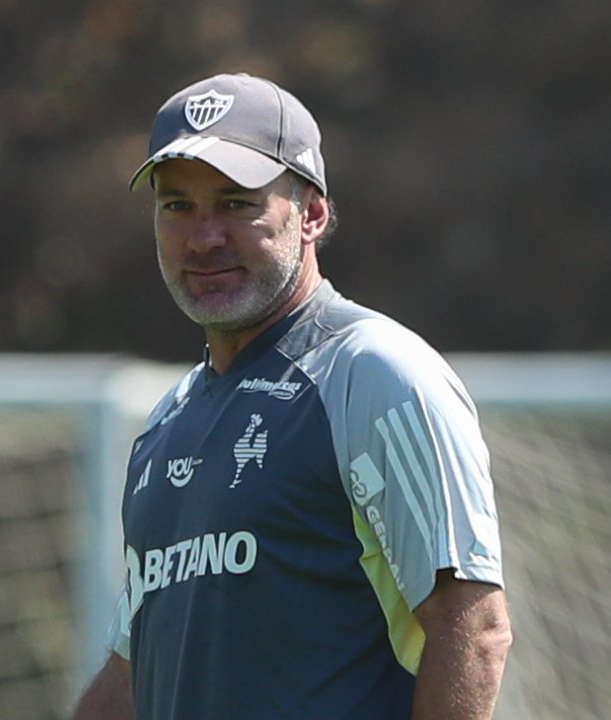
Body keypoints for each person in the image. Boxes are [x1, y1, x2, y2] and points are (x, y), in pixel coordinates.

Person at [72, 72, 512, 720]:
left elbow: (472, 629)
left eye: (235, 203)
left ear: (312, 213)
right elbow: (133, 670)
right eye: (177, 206)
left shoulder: (373, 374)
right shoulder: (167, 423)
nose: (202, 237)